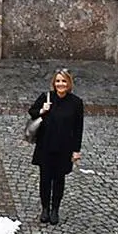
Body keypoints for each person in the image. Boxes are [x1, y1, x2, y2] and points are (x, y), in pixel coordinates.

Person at [28, 67, 84, 225]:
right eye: (58, 81)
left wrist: (76, 150)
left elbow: (78, 127)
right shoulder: (46, 97)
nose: (61, 84)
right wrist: (41, 110)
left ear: (69, 83)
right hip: (45, 145)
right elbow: (31, 112)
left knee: (59, 180)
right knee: (45, 179)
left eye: (64, 81)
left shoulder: (76, 103)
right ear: (54, 83)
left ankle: (55, 210)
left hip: (64, 148)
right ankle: (45, 209)